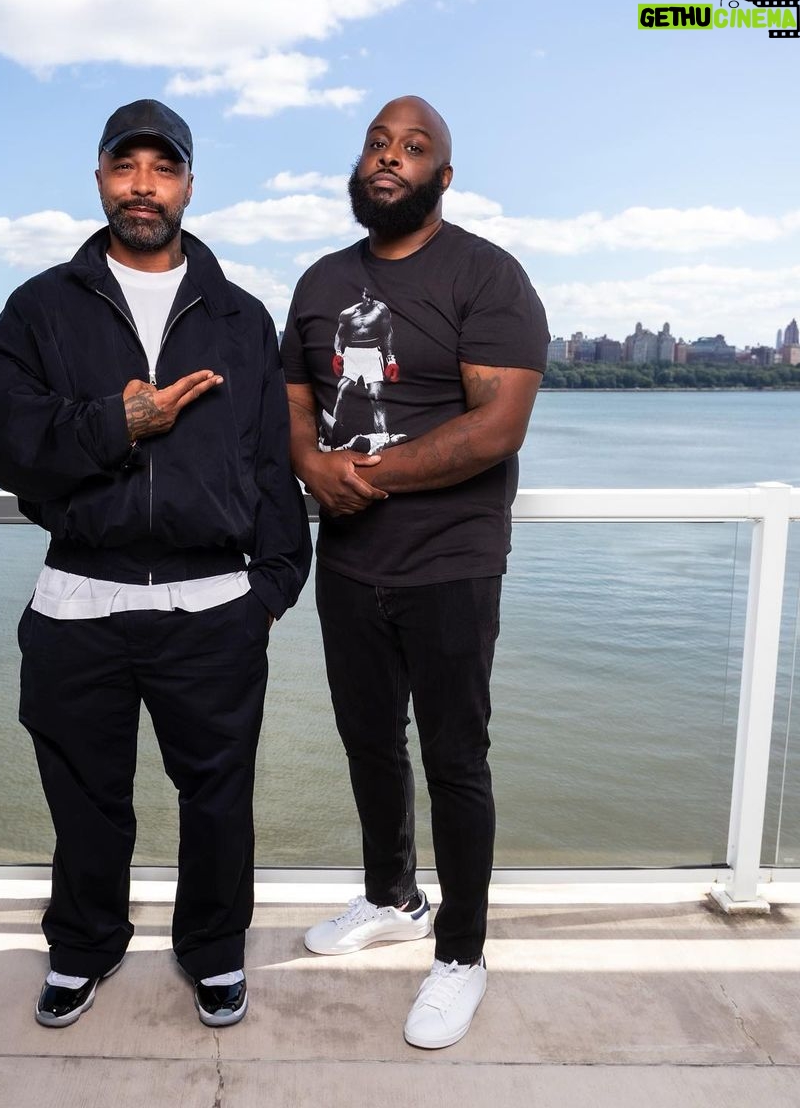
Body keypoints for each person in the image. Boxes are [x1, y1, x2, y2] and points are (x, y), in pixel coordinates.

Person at [0, 98, 311, 1030]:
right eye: (126, 167)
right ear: (101, 179)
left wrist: (272, 586)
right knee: (85, 798)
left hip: (215, 606)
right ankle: (84, 946)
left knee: (219, 800)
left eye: (163, 168)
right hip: (78, 601)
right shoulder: (42, 307)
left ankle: (214, 950)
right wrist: (117, 423)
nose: (143, 186)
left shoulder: (240, 316)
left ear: (188, 184)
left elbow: (270, 462)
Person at [281, 95, 548, 1049]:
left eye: (414, 147)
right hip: (350, 564)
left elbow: (497, 425)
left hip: (451, 564)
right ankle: (393, 898)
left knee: (455, 759)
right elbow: (295, 402)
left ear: (443, 175)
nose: (390, 158)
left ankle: (463, 955)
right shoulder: (320, 281)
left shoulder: (487, 276)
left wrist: (364, 476)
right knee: (367, 743)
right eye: (377, 143)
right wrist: (309, 464)